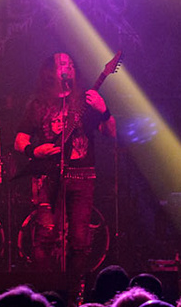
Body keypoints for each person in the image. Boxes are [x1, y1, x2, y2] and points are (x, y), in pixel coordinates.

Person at [13, 52, 113, 272]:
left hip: (82, 177)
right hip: (49, 178)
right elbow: (19, 140)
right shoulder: (38, 104)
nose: (67, 67)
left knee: (79, 240)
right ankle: (46, 287)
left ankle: (75, 289)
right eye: (61, 64)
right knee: (45, 237)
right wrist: (34, 151)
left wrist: (104, 110)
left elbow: (111, 132)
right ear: (50, 71)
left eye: (70, 64)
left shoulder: (85, 102)